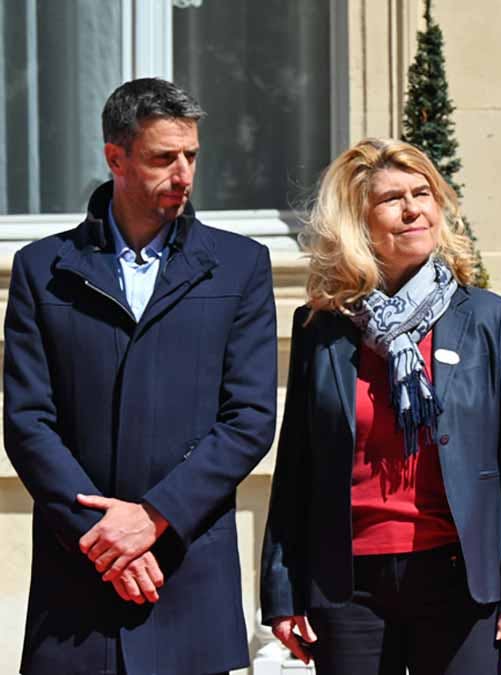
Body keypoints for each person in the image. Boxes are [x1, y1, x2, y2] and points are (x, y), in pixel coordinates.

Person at [3, 78, 277, 674]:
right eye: (163, 157)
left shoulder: (240, 265)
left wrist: (152, 517)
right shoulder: (42, 269)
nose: (183, 173)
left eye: (191, 156)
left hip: (185, 572)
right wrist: (105, 540)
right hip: (78, 582)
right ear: (115, 157)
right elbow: (28, 422)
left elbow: (250, 418)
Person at [260, 138, 501, 674]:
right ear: (359, 221)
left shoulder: (486, 318)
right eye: (393, 198)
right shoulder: (321, 329)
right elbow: (295, 469)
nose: (414, 208)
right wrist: (282, 592)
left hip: (459, 576)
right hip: (347, 587)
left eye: (424, 193)